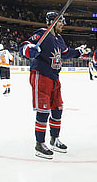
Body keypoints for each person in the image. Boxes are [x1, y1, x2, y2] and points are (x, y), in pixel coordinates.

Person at [19, 11, 91, 159]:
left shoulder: (59, 39)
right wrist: (29, 50)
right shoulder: (42, 33)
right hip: (41, 74)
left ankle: (54, 139)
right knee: (43, 111)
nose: (62, 24)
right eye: (60, 21)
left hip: (54, 77)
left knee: (57, 109)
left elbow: (65, 53)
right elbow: (25, 45)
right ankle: (39, 144)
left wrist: (79, 52)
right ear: (52, 21)